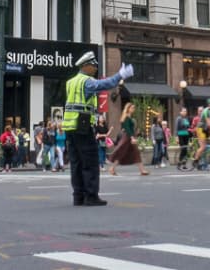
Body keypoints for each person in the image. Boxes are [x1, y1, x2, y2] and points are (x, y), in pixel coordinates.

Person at [62, 51, 131, 207]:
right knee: (90, 161)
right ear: (85, 66)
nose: (95, 69)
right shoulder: (86, 82)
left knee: (76, 163)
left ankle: (78, 196)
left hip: (70, 127)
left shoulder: (71, 82)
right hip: (83, 126)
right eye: (93, 66)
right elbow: (104, 85)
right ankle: (91, 196)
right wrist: (120, 75)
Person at [108, 102, 150, 177]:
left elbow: (129, 128)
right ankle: (112, 168)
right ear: (128, 109)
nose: (133, 109)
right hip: (127, 137)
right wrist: (132, 137)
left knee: (135, 153)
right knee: (122, 153)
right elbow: (127, 128)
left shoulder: (129, 117)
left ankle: (142, 170)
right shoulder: (126, 117)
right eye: (132, 108)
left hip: (129, 137)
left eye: (134, 108)